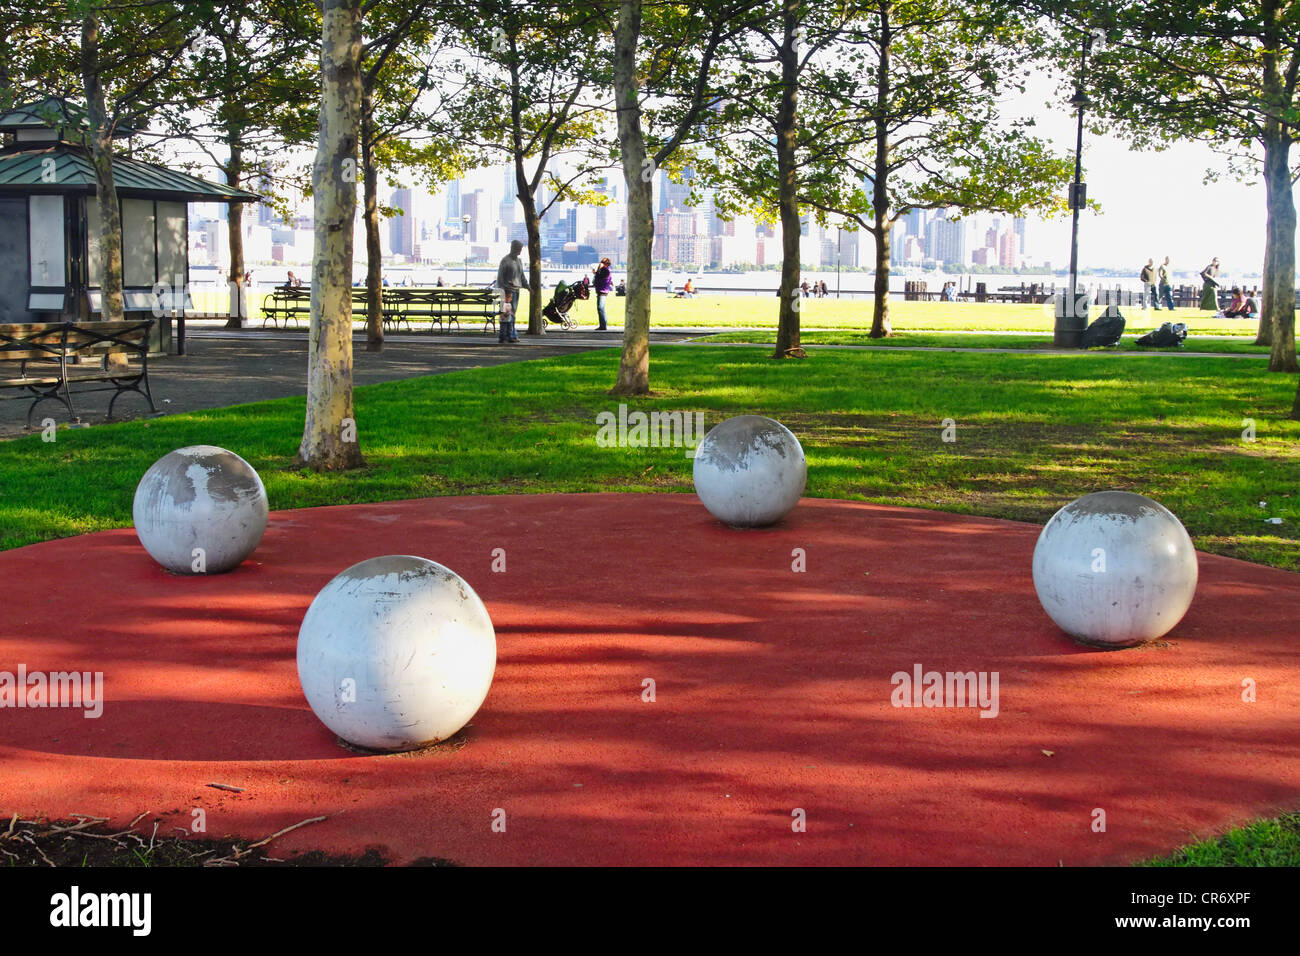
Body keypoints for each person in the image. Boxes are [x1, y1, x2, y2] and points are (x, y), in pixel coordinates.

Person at [495, 240, 525, 343]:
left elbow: (522, 276)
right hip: (507, 291)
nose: (520, 252)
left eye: (521, 250)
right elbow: (500, 277)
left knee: (512, 313)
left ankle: (511, 334)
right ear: (513, 248)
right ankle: (506, 335)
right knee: (506, 313)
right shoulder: (505, 261)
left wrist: (528, 287)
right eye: (519, 249)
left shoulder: (519, 261)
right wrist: (504, 291)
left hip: (516, 290)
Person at [592, 257, 613, 330]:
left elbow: (598, 278)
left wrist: (597, 271)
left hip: (602, 291)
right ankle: (603, 325)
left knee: (600, 308)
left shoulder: (605, 270)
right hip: (602, 291)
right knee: (601, 308)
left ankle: (603, 326)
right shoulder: (606, 270)